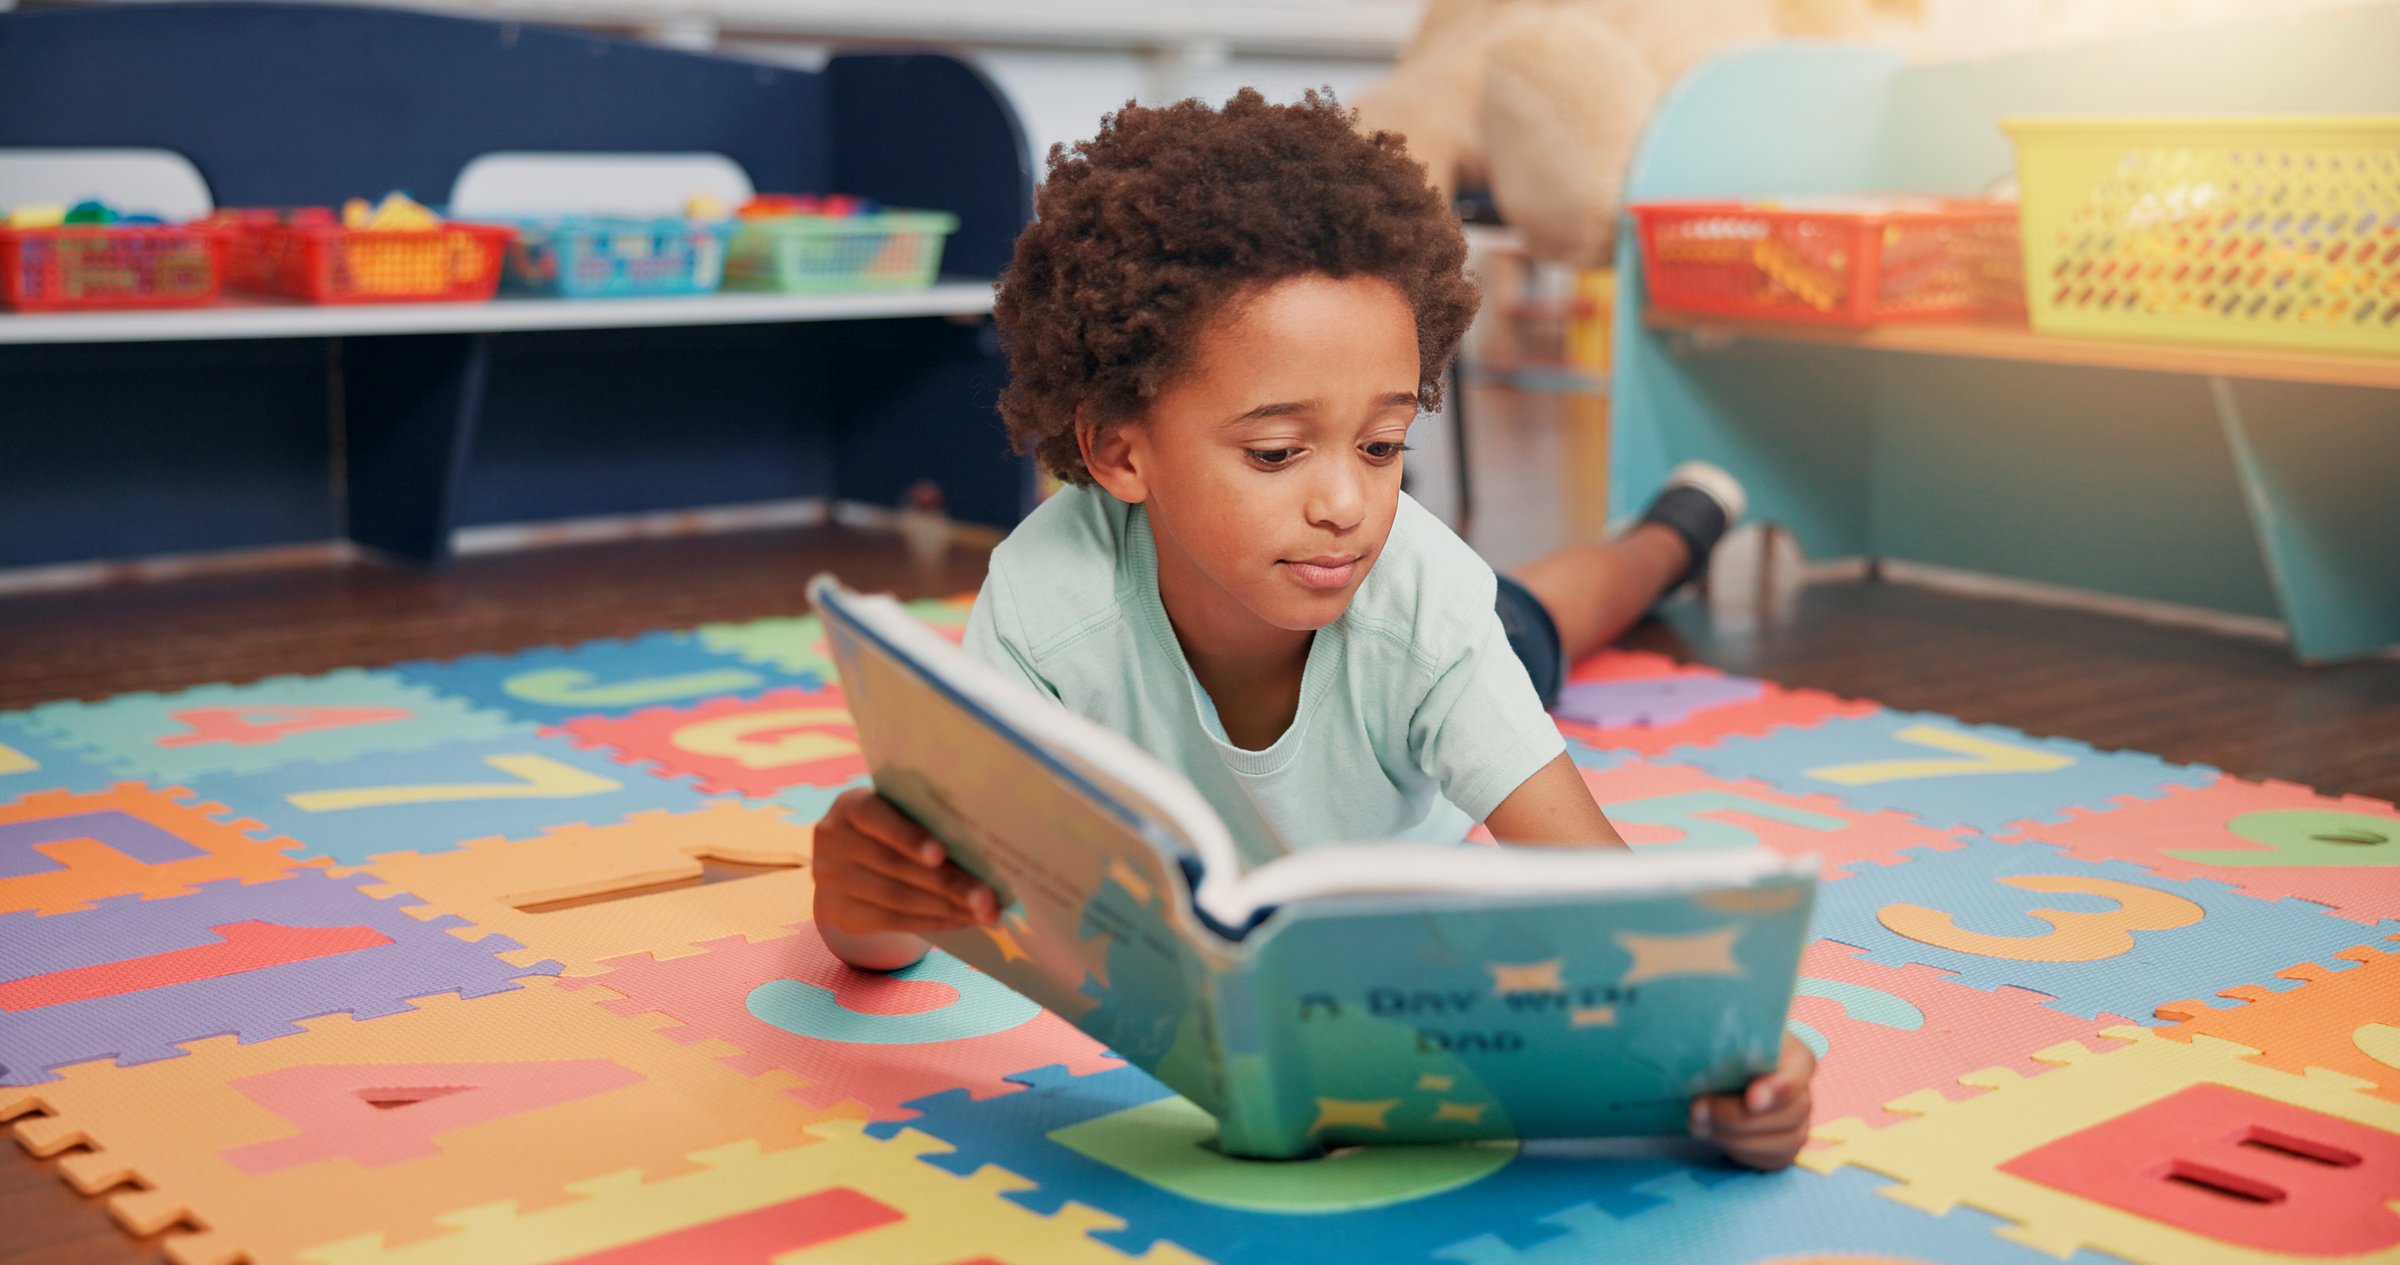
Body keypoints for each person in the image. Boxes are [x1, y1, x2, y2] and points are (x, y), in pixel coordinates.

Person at [811, 89, 1814, 1170]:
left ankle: (1675, 528)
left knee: (1546, 617)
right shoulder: (1049, 603)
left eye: (1383, 445)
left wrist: (1740, 1059)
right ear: (1118, 452)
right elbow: (901, 925)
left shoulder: (1420, 603)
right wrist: (855, 889)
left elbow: (1621, 914)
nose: (1348, 503)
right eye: (1279, 452)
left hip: (1430, 649)